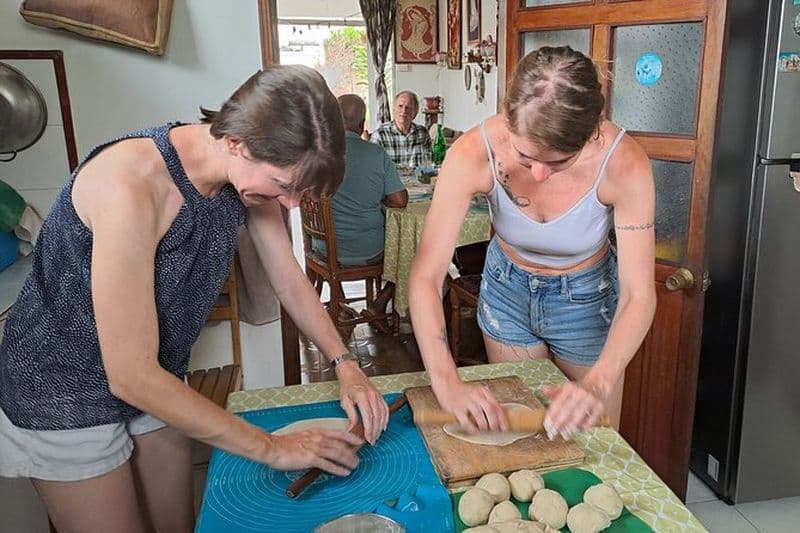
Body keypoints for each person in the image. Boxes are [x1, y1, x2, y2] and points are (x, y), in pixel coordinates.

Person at [0, 65, 390, 533]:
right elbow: (129, 375)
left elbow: (289, 281)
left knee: (177, 524)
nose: (288, 204)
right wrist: (272, 447)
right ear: (237, 141)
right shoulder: (130, 186)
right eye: (284, 186)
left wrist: (346, 364)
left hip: (156, 375)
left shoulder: (247, 177)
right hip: (60, 387)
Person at [408, 46, 656, 440]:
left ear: (593, 129)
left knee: (596, 441)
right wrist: (446, 382)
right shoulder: (473, 153)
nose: (539, 174)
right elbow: (425, 276)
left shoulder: (624, 163)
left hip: (588, 300)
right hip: (507, 291)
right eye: (525, 157)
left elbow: (639, 295)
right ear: (508, 118)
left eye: (559, 162)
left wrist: (599, 383)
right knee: (520, 437)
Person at [314, 94, 408, 328]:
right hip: (368, 248)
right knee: (412, 248)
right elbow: (399, 200)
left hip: (323, 247)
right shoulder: (376, 154)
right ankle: (380, 303)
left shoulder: (317, 154)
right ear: (363, 124)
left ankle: (340, 302)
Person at [371, 90, 432, 168]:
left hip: (418, 179)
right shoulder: (380, 135)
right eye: (400, 106)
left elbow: (428, 163)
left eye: (408, 107)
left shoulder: (422, 133)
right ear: (393, 110)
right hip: (390, 180)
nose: (404, 110)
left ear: (415, 113)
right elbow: (373, 167)